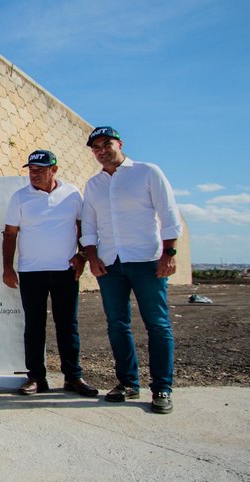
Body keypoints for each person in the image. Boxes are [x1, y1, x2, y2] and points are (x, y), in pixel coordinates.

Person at [80, 126, 183, 414]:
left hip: (147, 261)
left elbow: (169, 214)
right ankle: (127, 382)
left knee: (157, 324)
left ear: (119, 144)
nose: (102, 150)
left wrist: (169, 254)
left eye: (106, 144)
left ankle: (162, 387)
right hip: (110, 264)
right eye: (96, 147)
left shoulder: (148, 172)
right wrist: (92, 256)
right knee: (117, 325)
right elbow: (88, 224)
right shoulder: (94, 185)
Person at [3, 150, 98, 397]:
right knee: (34, 326)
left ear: (54, 170)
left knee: (68, 325)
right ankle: (36, 377)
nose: (34, 175)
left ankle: (73, 377)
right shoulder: (20, 197)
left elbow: (82, 226)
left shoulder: (72, 194)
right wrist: (7, 267)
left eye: (40, 170)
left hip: (65, 271)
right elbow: (10, 233)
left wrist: (82, 256)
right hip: (31, 271)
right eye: (31, 170)